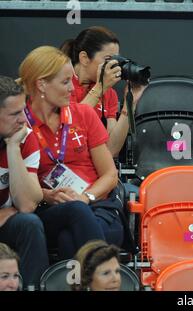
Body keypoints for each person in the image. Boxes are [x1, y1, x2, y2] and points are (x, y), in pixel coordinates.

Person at [18, 46, 124, 259]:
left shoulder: (83, 113)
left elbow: (111, 175)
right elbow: (17, 184)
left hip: (97, 204)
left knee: (69, 238)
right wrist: (46, 195)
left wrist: (86, 197)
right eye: (65, 82)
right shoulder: (19, 123)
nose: (72, 89)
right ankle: (102, 274)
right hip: (48, 208)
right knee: (74, 213)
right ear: (41, 85)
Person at [61, 26, 147, 157]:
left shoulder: (109, 93)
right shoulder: (63, 83)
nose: (114, 65)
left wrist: (129, 105)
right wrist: (100, 88)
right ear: (84, 58)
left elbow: (111, 150)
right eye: (108, 59)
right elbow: (69, 127)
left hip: (94, 167)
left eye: (116, 60)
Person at [0, 76, 48, 288]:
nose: (23, 120)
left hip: (7, 221)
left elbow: (27, 205)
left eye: (23, 110)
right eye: (14, 114)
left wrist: (12, 148)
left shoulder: (24, 137)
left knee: (29, 223)